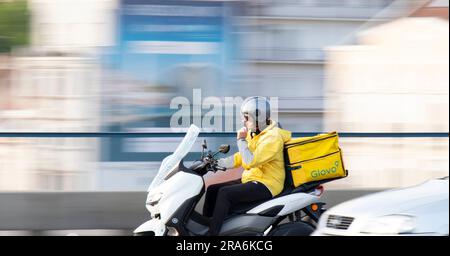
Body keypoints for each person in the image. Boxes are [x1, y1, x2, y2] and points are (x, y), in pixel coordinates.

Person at [203, 96, 292, 235]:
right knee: (213, 189)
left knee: (225, 194)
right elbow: (241, 157)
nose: (243, 121)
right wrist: (215, 163)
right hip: (253, 178)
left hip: (268, 184)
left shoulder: (272, 138)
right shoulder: (256, 133)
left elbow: (250, 161)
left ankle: (212, 234)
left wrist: (241, 140)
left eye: (246, 117)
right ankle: (208, 226)